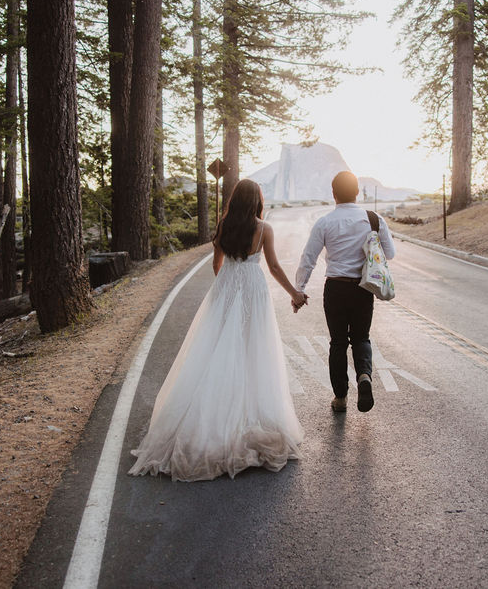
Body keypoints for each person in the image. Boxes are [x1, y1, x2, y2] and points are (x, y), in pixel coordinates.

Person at [129, 179, 307, 481]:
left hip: (227, 286)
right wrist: (295, 294)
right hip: (252, 289)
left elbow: (216, 264)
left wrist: (227, 285)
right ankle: (249, 413)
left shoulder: (225, 225)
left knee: (218, 348)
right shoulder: (264, 229)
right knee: (253, 349)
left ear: (235, 200)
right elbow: (274, 267)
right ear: (257, 201)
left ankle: (207, 417)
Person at [294, 171, 396, 413]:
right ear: (357, 192)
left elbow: (308, 258)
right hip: (363, 288)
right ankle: (364, 376)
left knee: (338, 343)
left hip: (336, 288)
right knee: (361, 338)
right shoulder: (373, 219)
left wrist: (299, 289)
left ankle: (340, 398)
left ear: (334, 194)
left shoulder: (325, 222)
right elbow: (389, 253)